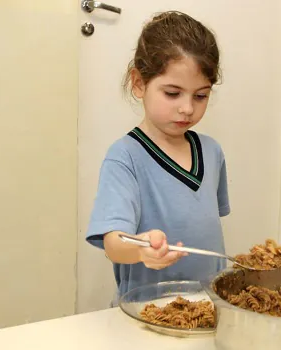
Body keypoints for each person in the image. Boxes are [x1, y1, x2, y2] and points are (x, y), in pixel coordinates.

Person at [85, 11, 230, 305]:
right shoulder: (125, 157)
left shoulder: (212, 152)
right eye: (173, 93)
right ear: (138, 83)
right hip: (147, 310)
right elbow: (113, 243)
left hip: (208, 306)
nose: (187, 108)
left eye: (200, 96)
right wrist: (140, 249)